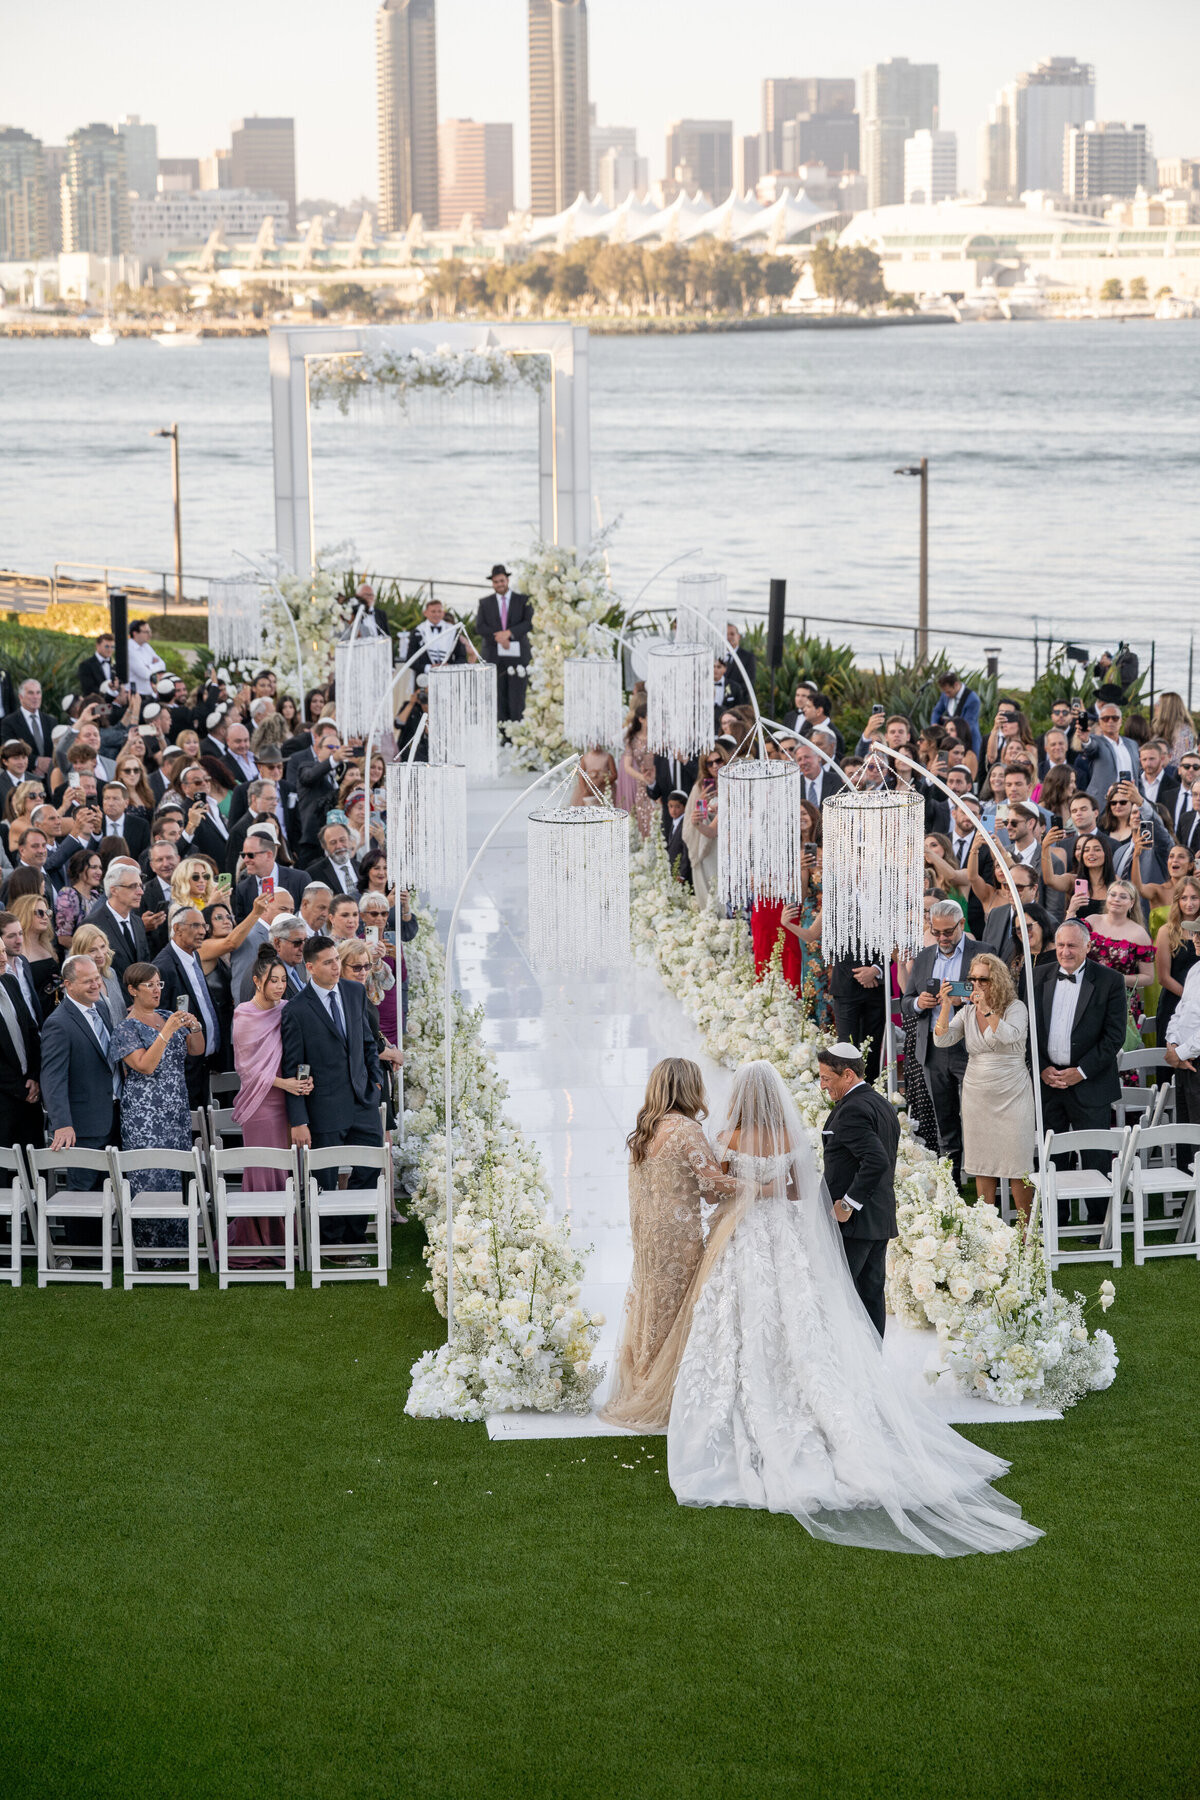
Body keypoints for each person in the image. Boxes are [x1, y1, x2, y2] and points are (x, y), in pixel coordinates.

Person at [663, 1059, 1040, 1556]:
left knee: (740, 1319)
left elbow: (718, 1190)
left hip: (745, 1235)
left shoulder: (729, 1137)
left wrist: (747, 1190)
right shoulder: (786, 1137)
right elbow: (798, 1191)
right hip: (785, 1237)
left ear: (740, 1095)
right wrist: (773, 1188)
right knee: (801, 1316)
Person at [600, 1058, 738, 1430]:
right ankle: (666, 1389)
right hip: (677, 1238)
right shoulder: (687, 1130)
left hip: (647, 1235)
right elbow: (712, 1188)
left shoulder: (645, 1130)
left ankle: (644, 1378)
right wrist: (754, 1184)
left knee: (652, 1305)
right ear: (688, 1087)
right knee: (678, 1310)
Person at [280, 935, 384, 1250]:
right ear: (310, 967)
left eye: (336, 959)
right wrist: (299, 1119)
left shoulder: (354, 991)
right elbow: (294, 1067)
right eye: (327, 962)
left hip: (363, 1100)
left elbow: (367, 1040)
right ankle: (330, 1242)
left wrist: (375, 1081)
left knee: (370, 1168)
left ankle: (353, 1234)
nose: (336, 967)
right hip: (323, 1108)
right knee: (323, 1180)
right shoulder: (296, 1010)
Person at [1033, 921, 1128, 1219]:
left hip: (1091, 1083)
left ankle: (1099, 1222)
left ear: (1088, 946)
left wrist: (1081, 1071)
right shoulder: (1036, 977)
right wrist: (1043, 1068)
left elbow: (1114, 1036)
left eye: (1072, 945)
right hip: (1049, 1083)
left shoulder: (1110, 980)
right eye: (1060, 945)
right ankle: (1056, 1221)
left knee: (1095, 1156)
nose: (1065, 951)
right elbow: (1028, 1031)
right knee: (1052, 1156)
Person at [108, 963, 203, 1256]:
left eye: (159, 984)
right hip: (145, 1113)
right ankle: (150, 1252)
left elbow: (196, 1050)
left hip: (175, 1107)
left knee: (176, 1175)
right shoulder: (125, 1028)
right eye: (149, 985)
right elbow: (145, 1066)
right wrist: (167, 1033)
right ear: (132, 990)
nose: (156, 990)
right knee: (149, 1175)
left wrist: (194, 1026)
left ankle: (178, 1249)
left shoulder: (166, 1017)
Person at [933, 953, 1036, 1220]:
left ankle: (1027, 1232)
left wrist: (987, 1009)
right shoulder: (966, 1011)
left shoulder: (1016, 1007)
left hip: (1012, 1091)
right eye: (972, 979)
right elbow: (942, 1041)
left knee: (1018, 1164)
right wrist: (946, 1006)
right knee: (982, 1164)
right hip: (977, 1092)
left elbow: (1009, 1036)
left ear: (997, 980)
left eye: (983, 979)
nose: (977, 984)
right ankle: (987, 1229)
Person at [229, 949, 314, 1264]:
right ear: (256, 981)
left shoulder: (288, 1009)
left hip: (288, 1102)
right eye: (272, 980)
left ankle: (286, 1241)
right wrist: (285, 1083)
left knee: (284, 1172)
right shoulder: (244, 1014)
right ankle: (260, 1243)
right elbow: (247, 1069)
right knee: (264, 1172)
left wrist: (302, 1082)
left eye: (282, 980)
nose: (279, 986)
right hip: (261, 1104)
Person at [900, 901, 983, 1188]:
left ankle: (983, 1176)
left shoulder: (982, 953)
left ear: (962, 925)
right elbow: (905, 1001)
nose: (943, 938)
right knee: (943, 1117)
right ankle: (952, 1183)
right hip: (933, 1048)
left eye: (948, 932)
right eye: (936, 932)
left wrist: (967, 998)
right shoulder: (924, 956)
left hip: (970, 1046)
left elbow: (997, 994)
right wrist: (918, 1003)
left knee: (976, 1114)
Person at [40, 956, 118, 1219]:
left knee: (108, 1187)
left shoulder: (102, 1007)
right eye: (88, 981)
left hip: (112, 1115)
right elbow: (52, 1078)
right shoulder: (58, 1023)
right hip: (82, 1125)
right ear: (68, 985)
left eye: (97, 978)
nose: (96, 984)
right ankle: (80, 1253)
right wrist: (61, 1123)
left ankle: (105, 1250)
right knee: (83, 1191)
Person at [1082, 878, 1154, 1033]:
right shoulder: (1091, 921)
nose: (1116, 899)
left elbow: (1149, 977)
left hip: (1119, 999)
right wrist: (1071, 911)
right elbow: (1069, 945)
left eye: (1123, 896)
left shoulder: (1139, 934)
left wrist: (1118, 979)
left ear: (1132, 902)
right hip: (1086, 993)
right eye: (1112, 894)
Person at [475, 564, 533, 726]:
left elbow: (528, 623)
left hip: (517, 657)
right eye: (495, 582)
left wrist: (509, 633)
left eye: (501, 580)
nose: (499, 584)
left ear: (507, 580)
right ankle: (501, 733)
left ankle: (516, 732)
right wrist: (499, 637)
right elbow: (480, 627)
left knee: (517, 696)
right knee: (497, 696)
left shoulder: (523, 600)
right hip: (494, 656)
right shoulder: (485, 603)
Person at [0, 933, 40, 1150]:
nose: (3, 959)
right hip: (6, 1099)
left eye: (3, 952)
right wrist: (21, 1089)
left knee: (34, 1169)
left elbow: (31, 1031)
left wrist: (34, 1077)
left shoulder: (10, 981)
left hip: (29, 1096)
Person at [85, 862, 149, 986]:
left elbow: (144, 962)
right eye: (133, 886)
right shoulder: (93, 925)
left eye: (140, 886)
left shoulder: (137, 922)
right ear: (114, 890)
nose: (140, 892)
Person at [1154, 877, 1200, 1047]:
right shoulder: (1166, 931)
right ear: (1177, 901)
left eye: (1194, 897)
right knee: (1170, 1057)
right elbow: (1163, 977)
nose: (1189, 903)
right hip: (1174, 1003)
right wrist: (1190, 998)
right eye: (1184, 898)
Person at [681, 748, 726, 905]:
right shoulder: (700, 787)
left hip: (728, 844)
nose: (715, 766)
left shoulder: (735, 783)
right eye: (709, 763)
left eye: (718, 760)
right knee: (712, 885)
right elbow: (694, 817)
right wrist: (701, 801)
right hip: (706, 844)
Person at [1077, 702, 1143, 806]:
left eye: (1115, 718)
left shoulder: (1132, 744)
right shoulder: (1096, 741)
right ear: (1100, 722)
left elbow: (1138, 775)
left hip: (1129, 802)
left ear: (1121, 721)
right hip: (1103, 803)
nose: (1110, 721)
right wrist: (1085, 740)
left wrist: (1141, 799)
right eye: (1106, 718)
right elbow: (1090, 747)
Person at [68, 923, 127, 1022]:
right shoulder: (75, 985)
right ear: (80, 953)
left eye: (103, 947)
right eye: (92, 950)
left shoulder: (110, 973)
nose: (100, 954)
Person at [618, 698, 656, 841]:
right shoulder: (632, 740)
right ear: (641, 719)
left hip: (660, 780)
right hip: (642, 783)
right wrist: (642, 778)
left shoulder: (659, 737)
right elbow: (627, 766)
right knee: (644, 819)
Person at [931, 670, 982, 757]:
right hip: (951, 736)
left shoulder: (973, 700)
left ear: (956, 685)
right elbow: (937, 711)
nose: (946, 695)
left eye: (948, 692)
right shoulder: (945, 695)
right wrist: (934, 724)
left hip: (968, 740)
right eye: (945, 692)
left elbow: (968, 725)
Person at [1152, 691, 1197, 764]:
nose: (1155, 705)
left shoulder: (1183, 732)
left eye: (1158, 703)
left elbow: (1180, 761)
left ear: (1167, 708)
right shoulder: (1162, 729)